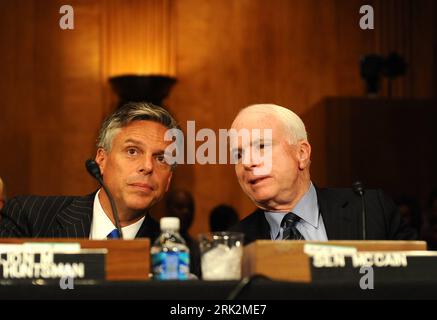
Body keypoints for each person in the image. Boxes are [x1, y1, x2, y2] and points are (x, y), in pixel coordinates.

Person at [229, 104, 416, 243]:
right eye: (238, 155)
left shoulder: (371, 211)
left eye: (262, 146)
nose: (247, 162)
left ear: (301, 153)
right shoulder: (232, 246)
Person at [0, 102, 178, 239]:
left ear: (168, 178)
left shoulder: (178, 254)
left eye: (161, 158)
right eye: (132, 151)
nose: (147, 166)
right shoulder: (29, 217)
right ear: (101, 159)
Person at [164, 189, 200, 276]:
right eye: (180, 207)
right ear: (168, 209)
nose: (186, 212)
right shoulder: (157, 245)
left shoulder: (197, 248)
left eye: (190, 208)